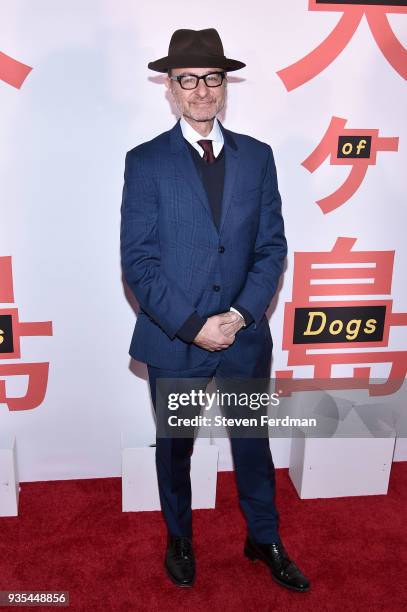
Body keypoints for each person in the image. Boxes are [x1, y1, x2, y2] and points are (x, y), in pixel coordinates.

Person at [120, 28, 310, 592]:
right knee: (174, 449)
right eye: (188, 80)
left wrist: (242, 316)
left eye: (212, 78)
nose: (202, 90)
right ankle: (179, 537)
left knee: (253, 444)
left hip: (245, 336)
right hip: (175, 340)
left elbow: (271, 247)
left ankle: (264, 536)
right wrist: (193, 326)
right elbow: (139, 261)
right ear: (170, 89)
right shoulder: (146, 162)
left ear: (225, 86)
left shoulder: (258, 157)